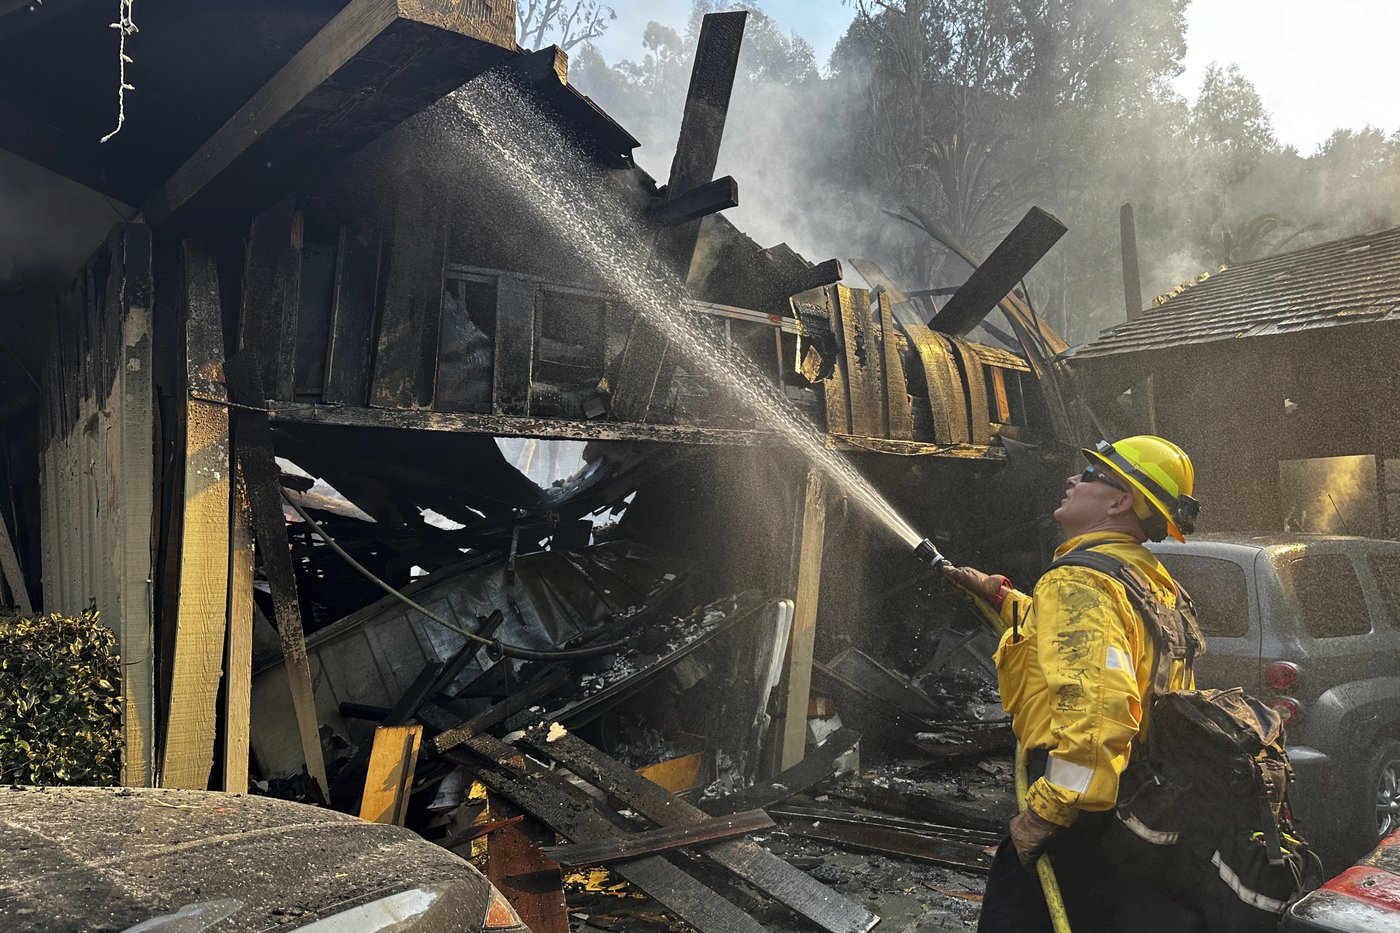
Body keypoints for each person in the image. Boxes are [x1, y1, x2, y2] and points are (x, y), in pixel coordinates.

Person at [948, 436, 1202, 933]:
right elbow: (1079, 644)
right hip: (1137, 799)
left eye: (1090, 475)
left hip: (1081, 814)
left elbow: (1098, 705)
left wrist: (1045, 814)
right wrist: (999, 597)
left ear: (1120, 500)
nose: (1071, 479)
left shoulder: (1078, 583)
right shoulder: (1144, 578)